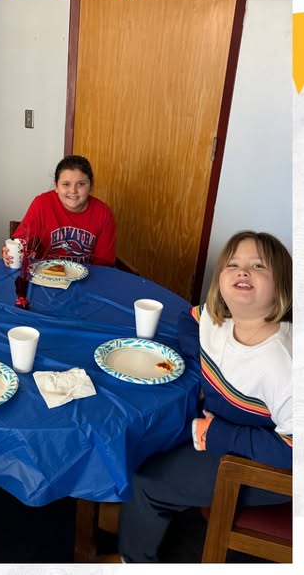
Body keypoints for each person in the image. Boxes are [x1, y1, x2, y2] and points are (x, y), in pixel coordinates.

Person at [116, 230, 292, 563]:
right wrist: (201, 370)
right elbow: (189, 319)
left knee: (145, 482)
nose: (243, 271)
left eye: (258, 266)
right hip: (218, 428)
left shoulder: (283, 364)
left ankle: (134, 560)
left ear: (282, 285)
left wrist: (222, 435)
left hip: (261, 464)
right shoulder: (217, 316)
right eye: (233, 264)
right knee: (139, 442)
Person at [2, 155, 116, 267]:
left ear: (90, 185)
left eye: (81, 184)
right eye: (66, 184)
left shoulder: (103, 213)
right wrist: (9, 253)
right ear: (56, 186)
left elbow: (104, 263)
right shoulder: (42, 203)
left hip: (88, 275)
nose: (73, 191)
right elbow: (21, 242)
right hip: (45, 273)